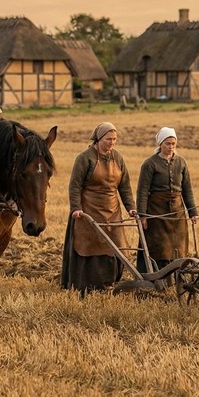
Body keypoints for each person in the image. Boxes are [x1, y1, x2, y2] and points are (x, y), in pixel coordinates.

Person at [60, 122, 137, 294]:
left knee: (116, 247)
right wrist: (76, 208)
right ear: (99, 138)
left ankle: (110, 282)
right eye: (108, 139)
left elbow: (124, 186)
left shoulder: (118, 158)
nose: (112, 143)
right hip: (89, 209)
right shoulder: (84, 158)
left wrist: (131, 207)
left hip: (112, 209)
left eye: (114, 139)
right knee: (90, 246)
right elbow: (75, 186)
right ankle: (88, 285)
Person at [135, 127, 198, 273]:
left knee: (178, 244)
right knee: (159, 244)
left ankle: (177, 273)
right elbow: (142, 191)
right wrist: (142, 215)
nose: (171, 147)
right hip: (156, 211)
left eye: (173, 144)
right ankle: (157, 273)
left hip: (177, 211)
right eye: (167, 144)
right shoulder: (150, 164)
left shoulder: (181, 162)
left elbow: (187, 189)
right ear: (160, 144)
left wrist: (192, 212)